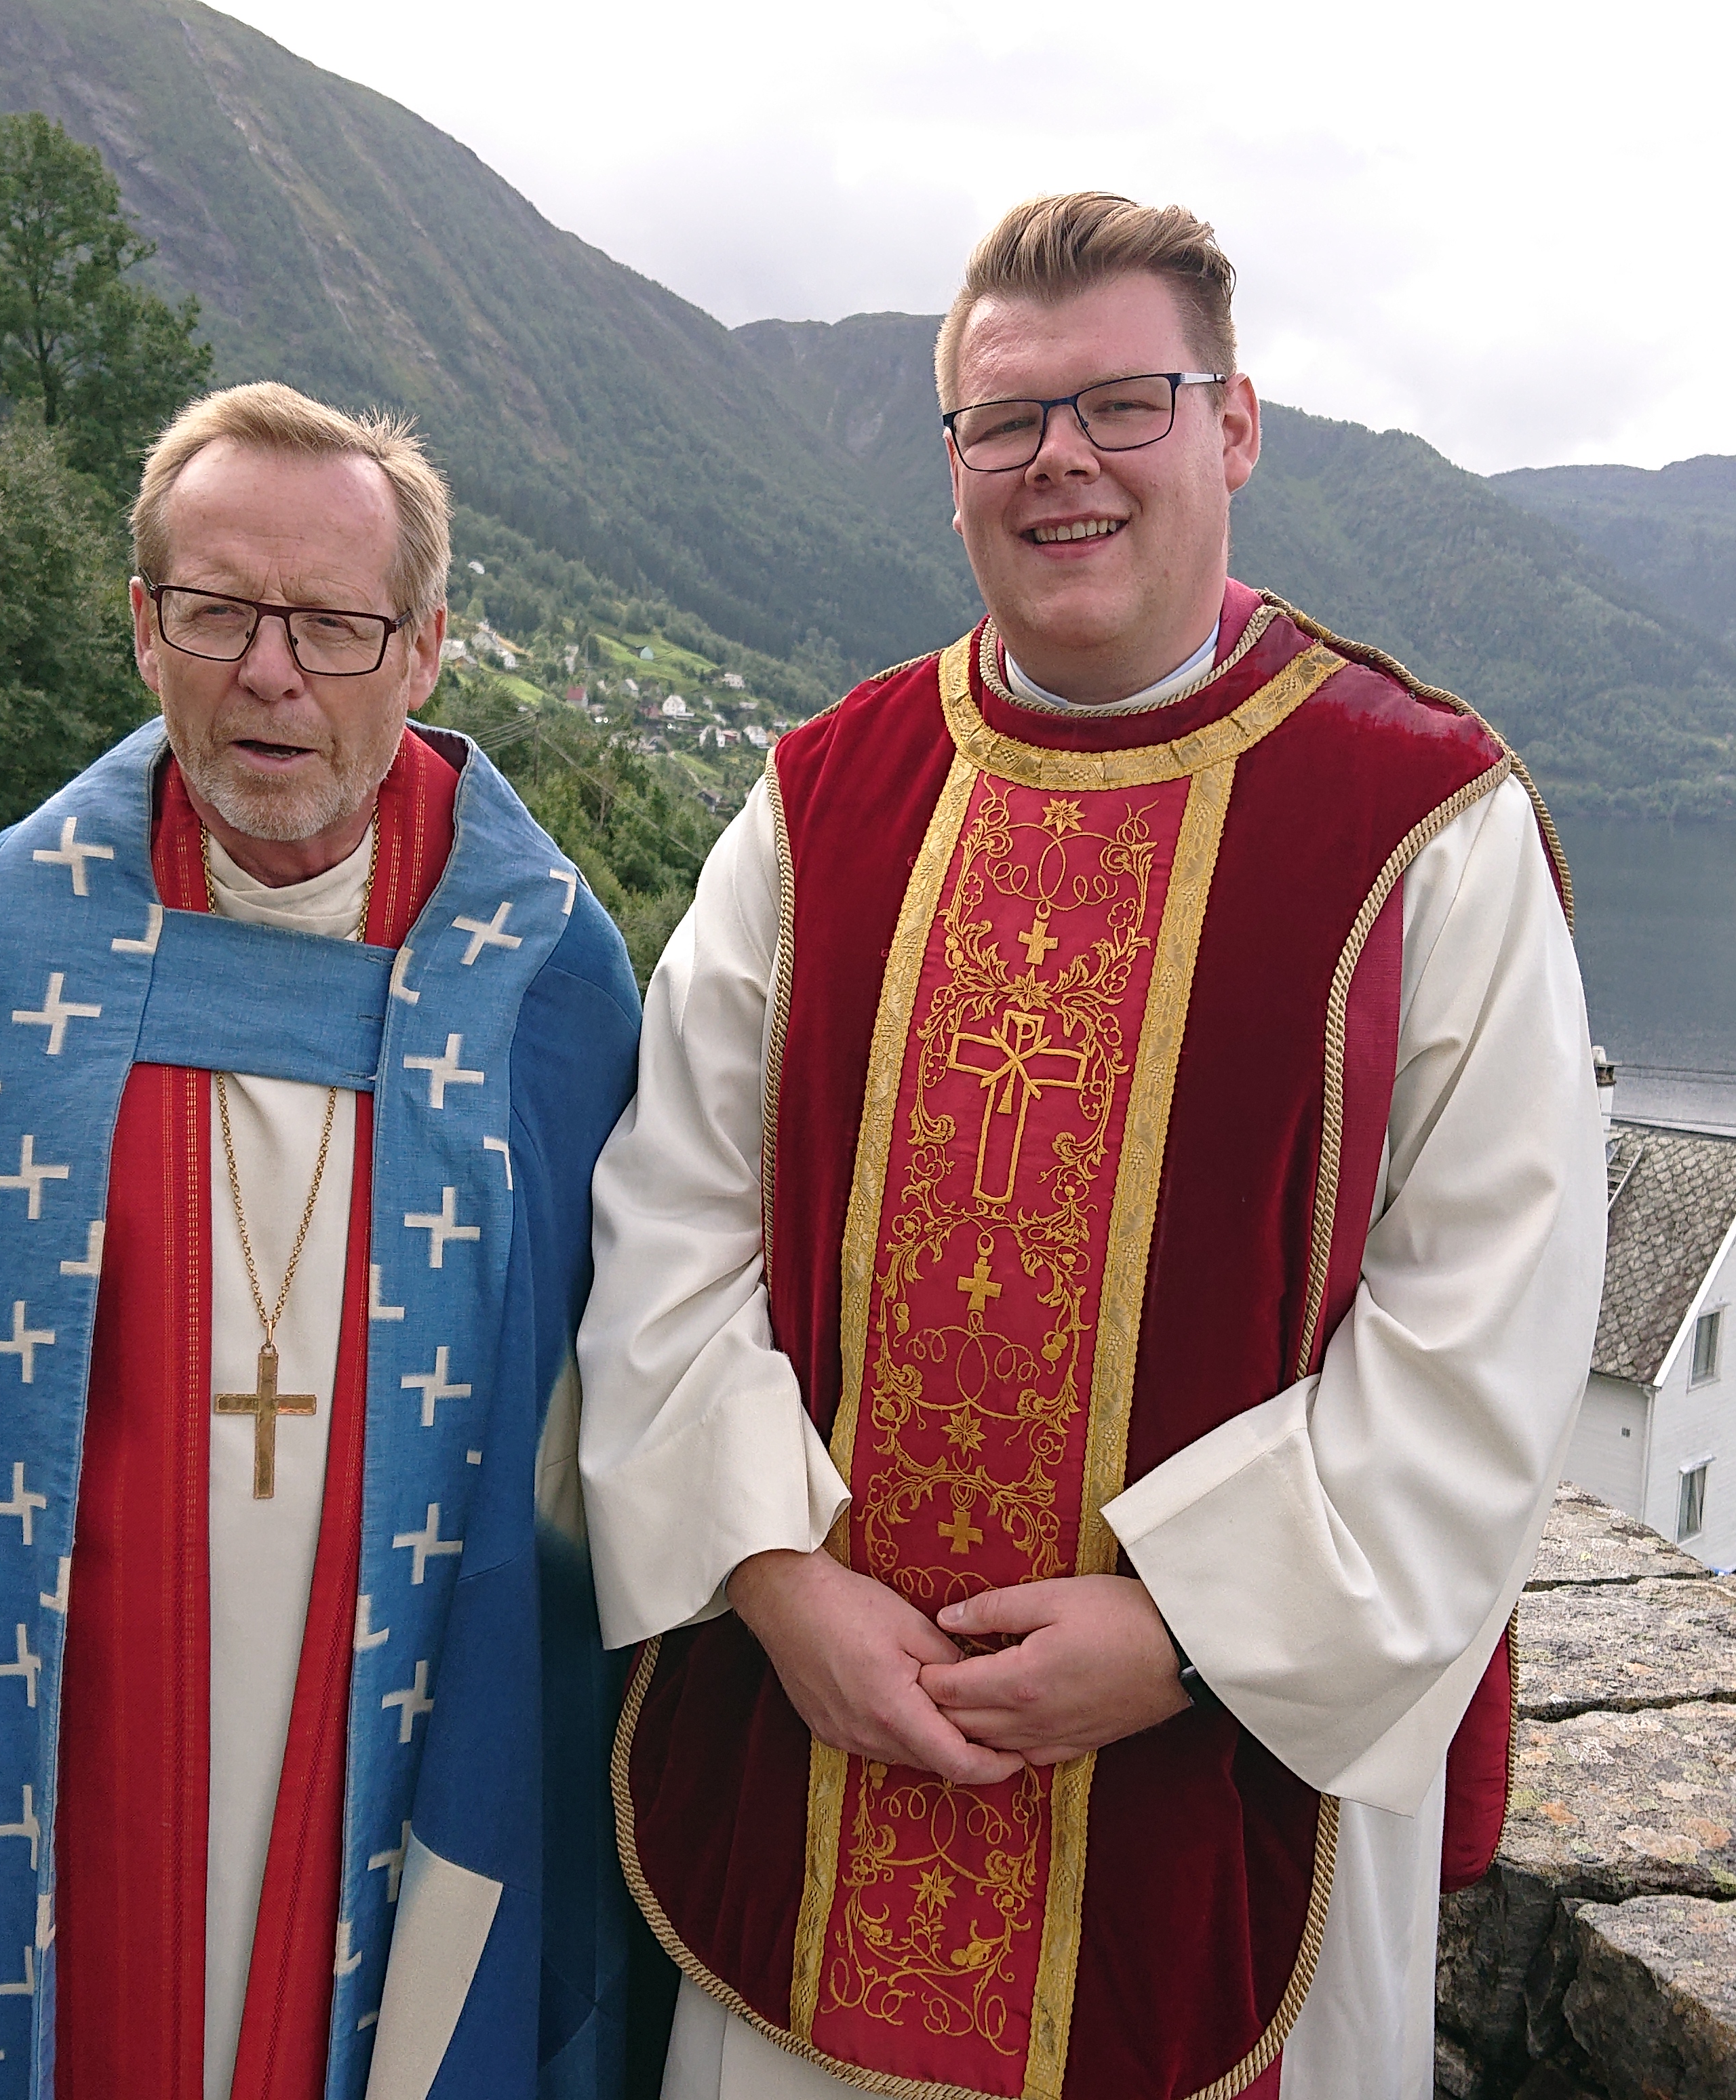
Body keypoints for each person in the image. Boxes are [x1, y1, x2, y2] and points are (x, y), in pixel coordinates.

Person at [577, 195, 1605, 2099]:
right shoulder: (818, 806)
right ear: (955, 462)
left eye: (1124, 405)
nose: (1061, 462)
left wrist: (1194, 1632)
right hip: (828, 1748)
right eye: (1007, 419)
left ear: (1235, 429)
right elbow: (669, 1223)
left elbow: (1493, 1327)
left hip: (1211, 1783)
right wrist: (772, 1576)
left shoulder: (1420, 829)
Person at [0, 383, 642, 2100]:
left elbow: (625, 1399)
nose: (271, 673)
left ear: (425, 650)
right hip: (57, 1733)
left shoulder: (543, 982)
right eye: (218, 611)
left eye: (331, 623)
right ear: (141, 628)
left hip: (409, 1728)